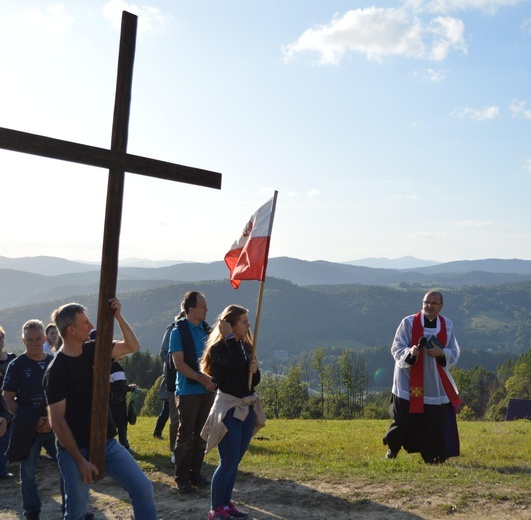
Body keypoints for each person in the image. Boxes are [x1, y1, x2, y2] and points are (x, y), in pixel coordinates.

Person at [43, 298, 157, 520]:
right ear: (71, 330)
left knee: (143, 488)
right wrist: (80, 461)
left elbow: (133, 346)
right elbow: (57, 422)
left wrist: (118, 316)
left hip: (106, 443)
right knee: (76, 511)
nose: (91, 326)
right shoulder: (56, 371)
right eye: (85, 322)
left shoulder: (94, 349)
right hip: (73, 450)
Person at [200, 305, 265, 520]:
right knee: (227, 461)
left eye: (247, 321)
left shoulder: (245, 347)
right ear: (231, 325)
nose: (248, 325)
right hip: (229, 409)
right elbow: (236, 365)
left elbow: (251, 382)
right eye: (244, 322)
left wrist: (255, 371)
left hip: (245, 407)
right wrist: (228, 336)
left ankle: (227, 504)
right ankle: (216, 508)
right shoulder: (219, 349)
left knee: (235, 460)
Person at [383, 290, 461, 464]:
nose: (429, 306)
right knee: (404, 419)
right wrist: (410, 352)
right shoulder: (409, 323)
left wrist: (442, 352)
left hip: (434, 384)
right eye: (426, 302)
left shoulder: (447, 325)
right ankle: (393, 448)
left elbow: (454, 352)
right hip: (408, 380)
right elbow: (396, 347)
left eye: (434, 303)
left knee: (433, 422)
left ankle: (432, 455)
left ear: (441, 306)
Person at [2, 320, 59, 520]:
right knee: (27, 474)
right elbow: (8, 397)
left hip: (55, 426)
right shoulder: (16, 365)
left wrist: (50, 420)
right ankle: (32, 513)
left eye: (37, 339)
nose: (34, 344)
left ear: (44, 338)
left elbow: (64, 394)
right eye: (29, 340)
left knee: (67, 469)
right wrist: (29, 421)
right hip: (28, 429)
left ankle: (73, 508)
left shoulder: (54, 362)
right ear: (23, 341)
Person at [169, 291, 216, 493]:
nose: (206, 310)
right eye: (203, 306)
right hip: (188, 391)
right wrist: (202, 379)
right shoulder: (177, 332)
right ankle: (182, 478)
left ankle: (195, 473)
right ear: (191, 309)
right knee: (186, 436)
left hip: (207, 391)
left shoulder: (207, 331)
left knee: (201, 435)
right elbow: (178, 364)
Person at [0, 325, 16, 479]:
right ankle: (2, 469)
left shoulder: (12, 358)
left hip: (12, 400)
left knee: (9, 436)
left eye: (0, 338)